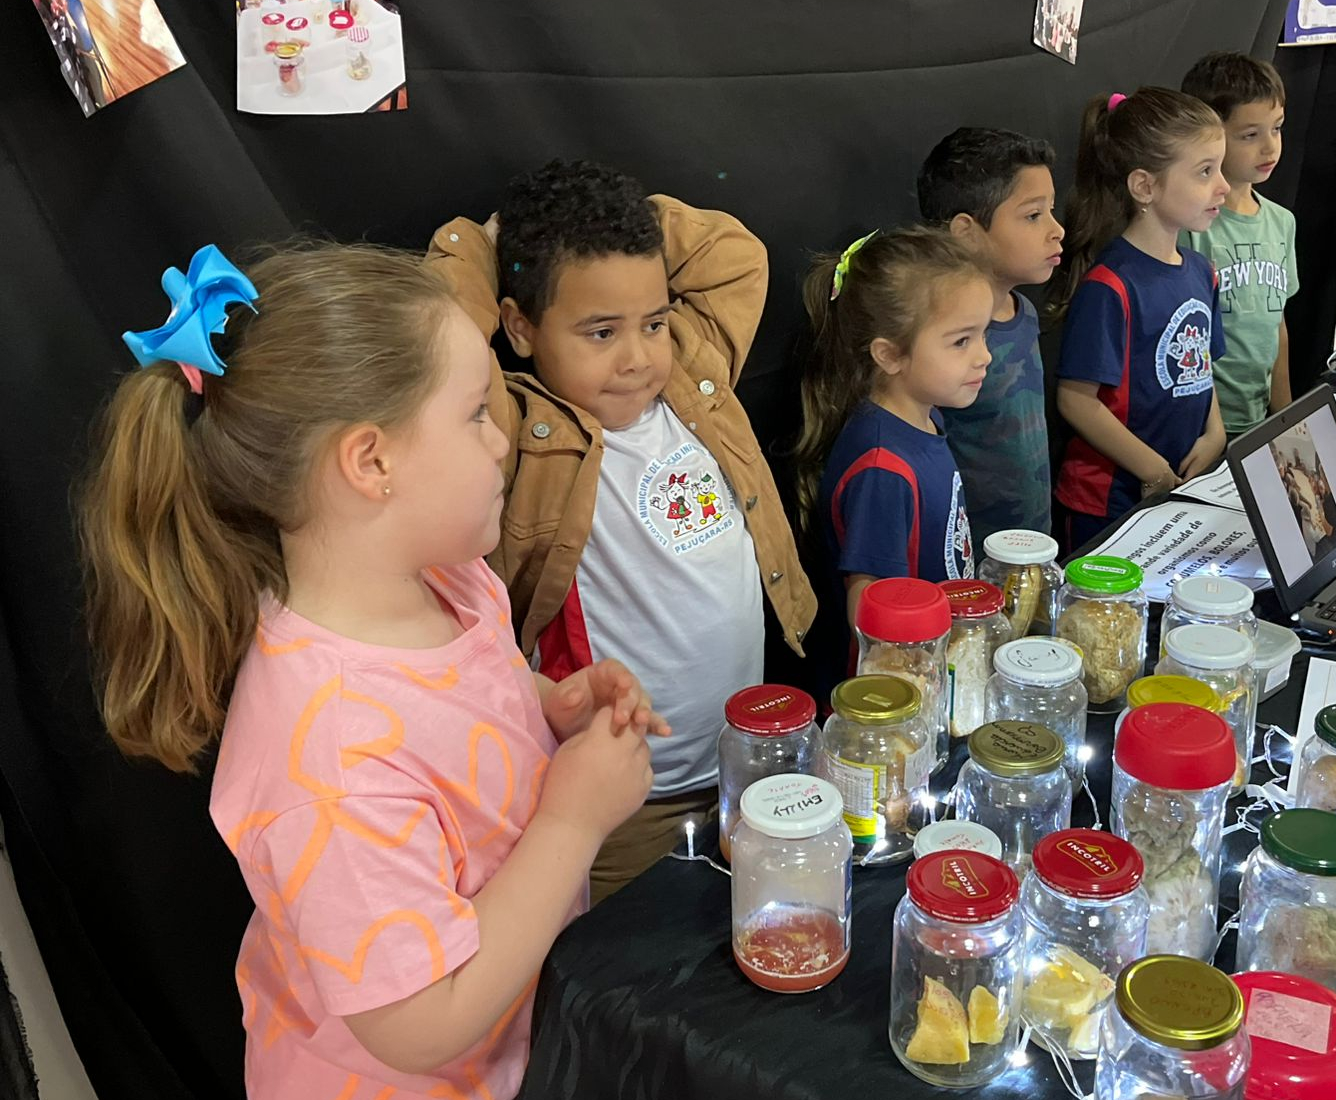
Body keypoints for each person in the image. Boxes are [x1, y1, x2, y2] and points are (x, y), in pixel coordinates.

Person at [80, 243, 665, 1100]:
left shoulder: (449, 579)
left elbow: (474, 701)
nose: (503, 439)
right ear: (371, 462)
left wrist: (555, 709)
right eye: (474, 414)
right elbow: (420, 1024)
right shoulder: (327, 762)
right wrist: (572, 824)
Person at [425, 160, 815, 903]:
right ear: (518, 325)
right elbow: (429, 345)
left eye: (655, 322)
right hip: (624, 798)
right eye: (601, 332)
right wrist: (486, 244)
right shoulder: (514, 425)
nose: (637, 356)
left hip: (750, 764)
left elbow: (737, 256)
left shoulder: (693, 376)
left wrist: (619, 220)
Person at [793, 226, 991, 662]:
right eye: (961, 341)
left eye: (982, 334)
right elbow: (868, 607)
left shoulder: (926, 415)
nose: (984, 356)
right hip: (901, 689)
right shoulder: (883, 469)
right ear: (889, 355)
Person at [1045, 88, 1230, 551]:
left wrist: (1216, 432)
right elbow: (1076, 400)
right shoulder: (1111, 285)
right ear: (1145, 186)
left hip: (1175, 492)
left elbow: (1200, 367)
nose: (1223, 186)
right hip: (1108, 504)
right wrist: (1152, 469)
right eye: (1206, 172)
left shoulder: (1202, 272)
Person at [917, 126, 1064, 550]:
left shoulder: (1026, 312)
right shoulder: (941, 342)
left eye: (1051, 211)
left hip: (1034, 545)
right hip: (971, 557)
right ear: (966, 232)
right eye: (1033, 215)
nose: (1058, 230)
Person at [1180, 52, 1299, 438]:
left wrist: (1285, 418)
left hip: (1257, 422)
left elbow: (1276, 324)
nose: (1270, 148)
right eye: (1250, 135)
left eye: (1277, 129)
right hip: (1198, 429)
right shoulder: (1190, 227)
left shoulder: (1282, 223)